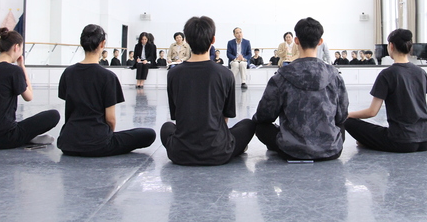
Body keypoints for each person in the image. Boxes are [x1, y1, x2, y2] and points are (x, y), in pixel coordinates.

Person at [161, 16, 256, 166]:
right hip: (218, 152)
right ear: (213, 40)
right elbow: (225, 118)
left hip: (180, 153)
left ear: (187, 41)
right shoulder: (225, 74)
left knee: (166, 128)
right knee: (248, 125)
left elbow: (176, 116)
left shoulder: (173, 74)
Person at [253, 17, 348, 161]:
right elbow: (342, 115)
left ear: (296, 41)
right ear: (320, 41)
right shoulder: (334, 75)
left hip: (291, 150)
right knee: (341, 124)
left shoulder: (282, 75)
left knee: (260, 126)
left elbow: (264, 115)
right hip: (330, 149)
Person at [57, 24, 156, 157]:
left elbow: (69, 108)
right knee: (148, 134)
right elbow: (110, 119)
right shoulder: (108, 77)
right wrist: (106, 136)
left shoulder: (68, 73)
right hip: (98, 143)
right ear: (102, 44)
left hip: (68, 142)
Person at [344, 28, 427, 153]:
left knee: (348, 122)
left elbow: (372, 112)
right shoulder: (421, 72)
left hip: (402, 140)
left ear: (391, 46)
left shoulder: (387, 74)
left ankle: (366, 141)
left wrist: (347, 114)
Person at [0, 28, 60, 149]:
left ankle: (27, 137)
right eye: (21, 49)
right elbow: (29, 96)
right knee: (54, 115)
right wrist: (22, 66)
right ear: (16, 47)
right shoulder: (13, 71)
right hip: (2, 138)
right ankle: (27, 137)